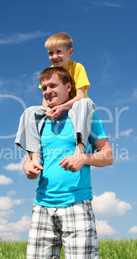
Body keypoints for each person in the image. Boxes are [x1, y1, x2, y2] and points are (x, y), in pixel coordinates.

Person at [16, 67, 114, 259]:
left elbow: (108, 155)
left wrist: (84, 158)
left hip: (76, 204)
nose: (47, 91)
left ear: (68, 87)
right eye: (44, 88)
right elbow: (29, 158)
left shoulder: (86, 118)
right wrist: (26, 166)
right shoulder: (40, 122)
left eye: (53, 85)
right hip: (42, 206)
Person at [17, 32, 95, 165]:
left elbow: (80, 95)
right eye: (50, 53)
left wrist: (62, 107)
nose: (54, 57)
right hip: (56, 108)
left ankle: (79, 147)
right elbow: (45, 99)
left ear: (69, 52)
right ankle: (34, 155)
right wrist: (48, 109)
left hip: (74, 108)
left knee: (86, 103)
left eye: (59, 52)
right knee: (30, 111)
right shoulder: (49, 71)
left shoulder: (77, 68)